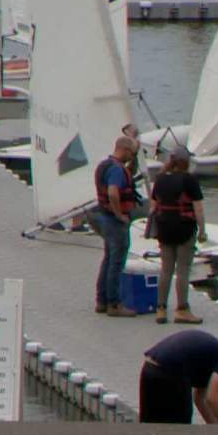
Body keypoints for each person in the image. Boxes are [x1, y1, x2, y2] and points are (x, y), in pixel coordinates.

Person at [139, 329, 218, 424]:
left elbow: (199, 399)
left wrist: (214, 425)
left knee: (150, 426)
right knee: (181, 429)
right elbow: (213, 399)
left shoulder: (211, 358)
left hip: (149, 369)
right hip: (171, 373)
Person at [148, 148, 206, 325]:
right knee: (182, 270)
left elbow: (153, 206)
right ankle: (182, 310)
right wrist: (202, 230)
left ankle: (161, 309)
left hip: (164, 228)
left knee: (166, 269)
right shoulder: (189, 179)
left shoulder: (160, 179)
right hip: (184, 228)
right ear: (186, 161)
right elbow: (198, 208)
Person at [93, 136, 140, 317]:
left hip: (104, 218)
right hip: (115, 220)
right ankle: (114, 303)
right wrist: (119, 214)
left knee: (108, 259)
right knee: (116, 262)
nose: (132, 156)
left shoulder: (104, 165)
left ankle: (101, 301)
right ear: (125, 150)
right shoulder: (116, 170)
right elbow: (113, 192)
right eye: (132, 153)